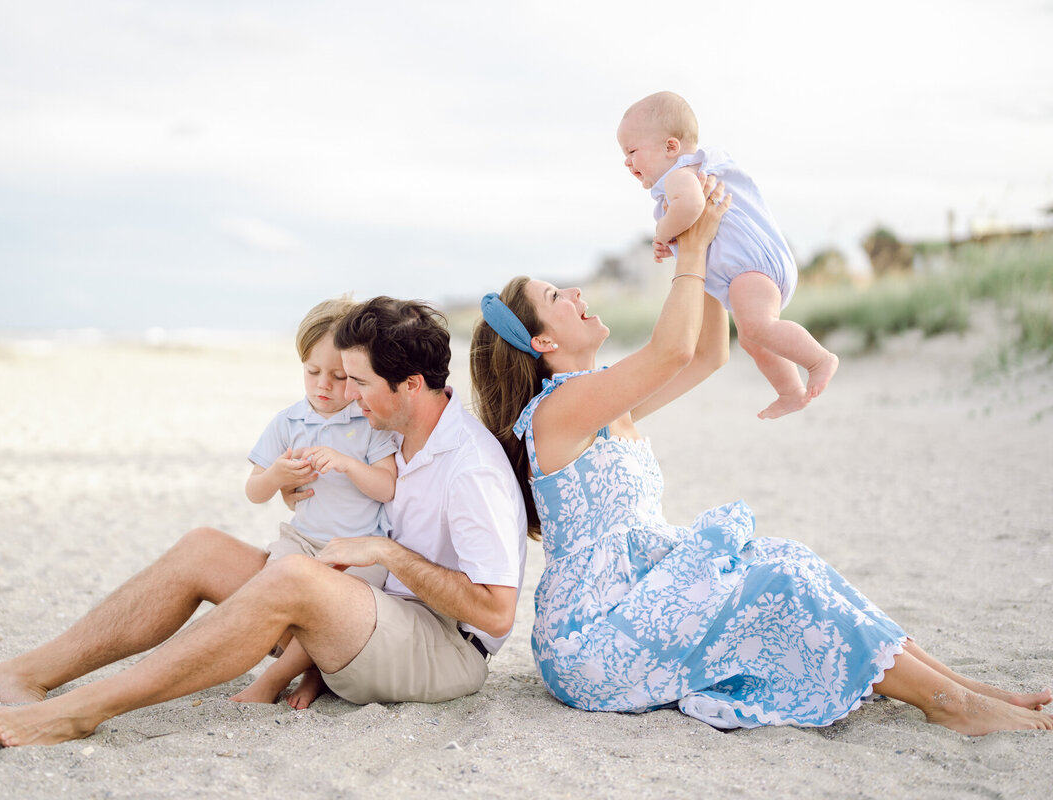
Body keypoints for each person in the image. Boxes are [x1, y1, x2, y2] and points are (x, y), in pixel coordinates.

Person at [470, 175, 1053, 735]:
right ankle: (949, 704)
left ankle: (964, 691)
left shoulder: (596, 402)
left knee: (789, 559)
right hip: (594, 639)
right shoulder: (558, 412)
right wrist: (690, 248)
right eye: (555, 297)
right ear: (542, 341)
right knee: (779, 580)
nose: (575, 292)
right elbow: (671, 350)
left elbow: (706, 357)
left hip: (638, 601)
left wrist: (717, 261)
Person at [0, 296, 528, 747]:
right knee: (204, 547)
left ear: (411, 384)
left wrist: (386, 555)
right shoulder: (395, 429)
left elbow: (496, 613)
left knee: (297, 581)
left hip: (445, 648)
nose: (349, 397)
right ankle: (24, 676)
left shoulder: (468, 467)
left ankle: (82, 711)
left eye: (360, 383)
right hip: (371, 611)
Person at [617, 90, 838, 419]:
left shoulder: (680, 175)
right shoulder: (686, 175)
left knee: (759, 328)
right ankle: (790, 390)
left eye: (632, 151)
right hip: (746, 274)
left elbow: (691, 206)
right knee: (752, 337)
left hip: (749, 268)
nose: (627, 161)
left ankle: (819, 360)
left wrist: (662, 232)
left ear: (671, 147)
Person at [234, 297, 398, 710]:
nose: (323, 385)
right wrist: (276, 477)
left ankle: (279, 678)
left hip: (360, 550)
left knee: (328, 607)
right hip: (302, 539)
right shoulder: (288, 422)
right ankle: (314, 670)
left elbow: (387, 488)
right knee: (273, 596)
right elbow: (255, 491)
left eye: (340, 376)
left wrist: (346, 464)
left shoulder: (368, 421)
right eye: (312, 372)